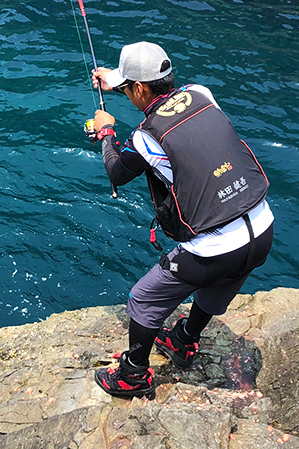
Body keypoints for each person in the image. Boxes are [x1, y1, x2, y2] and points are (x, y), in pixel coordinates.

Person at [90, 41, 274, 399]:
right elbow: (167, 104)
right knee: (217, 286)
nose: (126, 94)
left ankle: (133, 375)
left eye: (128, 89)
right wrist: (116, 79)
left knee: (143, 299)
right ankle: (183, 340)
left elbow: (117, 171)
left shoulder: (145, 138)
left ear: (139, 89)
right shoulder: (202, 94)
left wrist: (107, 132)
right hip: (262, 229)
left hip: (216, 248)